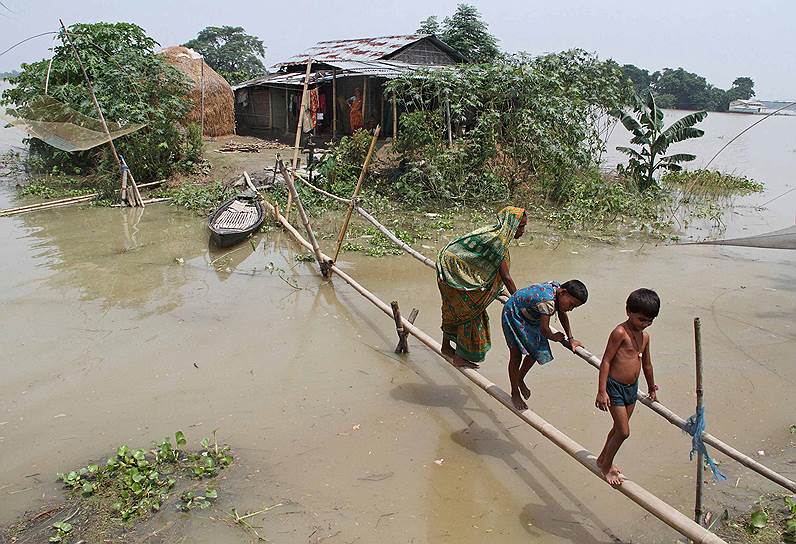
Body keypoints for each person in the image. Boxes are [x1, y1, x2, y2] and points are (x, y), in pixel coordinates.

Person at [437, 207, 527, 369]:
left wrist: (503, 292)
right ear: (512, 225)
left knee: (453, 310)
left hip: (448, 267)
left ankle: (446, 347)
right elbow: (506, 277)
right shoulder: (498, 242)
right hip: (452, 272)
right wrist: (520, 301)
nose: (523, 231)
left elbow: (486, 266)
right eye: (521, 226)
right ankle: (459, 356)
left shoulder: (493, 233)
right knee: (469, 312)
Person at [595, 288, 660, 486]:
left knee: (617, 428)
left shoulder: (645, 337)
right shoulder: (620, 333)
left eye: (649, 321)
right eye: (642, 319)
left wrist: (651, 387)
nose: (645, 324)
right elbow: (606, 361)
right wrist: (601, 390)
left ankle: (602, 458)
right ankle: (607, 466)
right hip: (614, 388)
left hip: (632, 388)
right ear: (628, 312)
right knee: (624, 432)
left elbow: (647, 364)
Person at [502, 280, 588, 410]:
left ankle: (520, 379)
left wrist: (571, 339)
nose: (570, 309)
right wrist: (556, 337)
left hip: (531, 315)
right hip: (513, 312)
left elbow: (562, 314)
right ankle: (515, 392)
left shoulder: (557, 291)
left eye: (574, 307)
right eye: (571, 304)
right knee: (516, 355)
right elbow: (545, 330)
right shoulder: (547, 302)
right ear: (563, 292)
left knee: (537, 351)